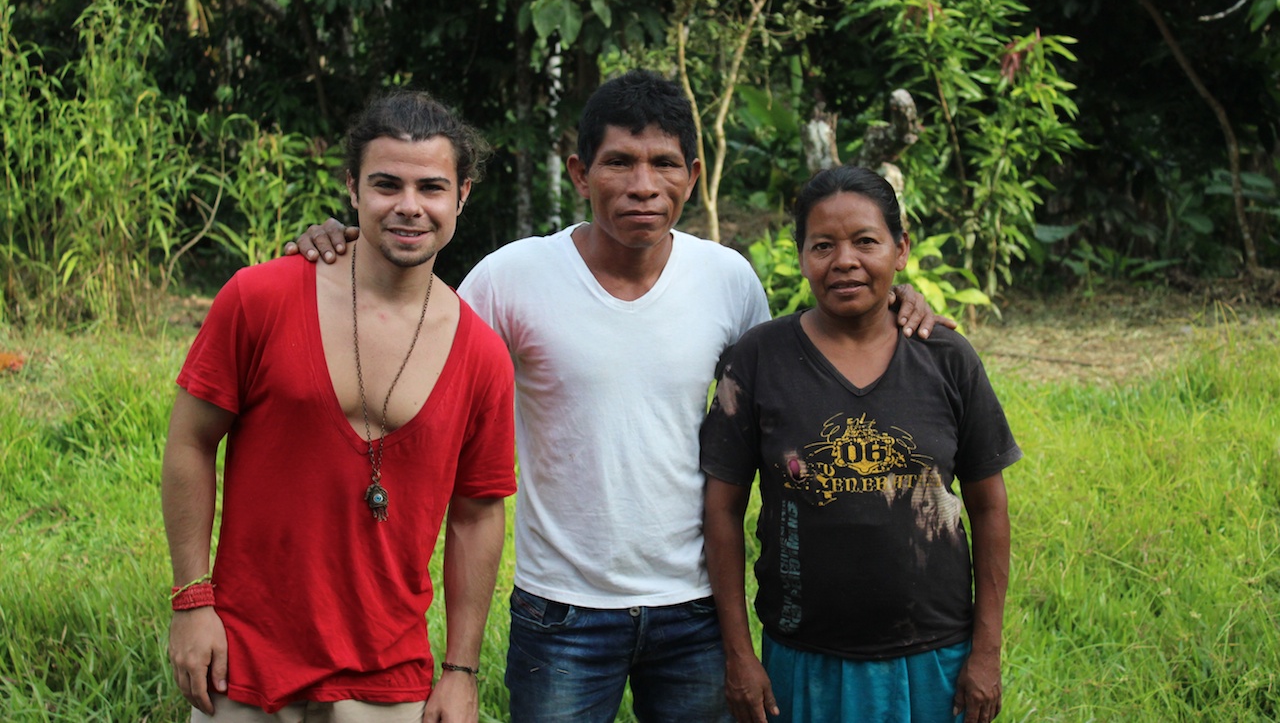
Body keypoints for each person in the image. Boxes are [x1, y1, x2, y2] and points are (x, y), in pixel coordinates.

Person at [288, 71, 950, 722]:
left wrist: (895, 300)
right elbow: (420, 331)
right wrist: (349, 244)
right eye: (619, 162)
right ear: (579, 172)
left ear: (692, 174)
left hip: (698, 605)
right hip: (560, 609)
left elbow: (795, 382)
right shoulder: (511, 278)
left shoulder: (728, 281)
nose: (643, 185)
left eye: (663, 163)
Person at [162, 90, 516, 723]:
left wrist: (460, 671)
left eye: (432, 188)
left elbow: (477, 516)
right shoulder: (261, 297)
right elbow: (190, 440)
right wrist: (192, 601)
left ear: (461, 196)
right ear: (352, 189)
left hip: (388, 674)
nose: (409, 207)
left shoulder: (483, 357)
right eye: (387, 185)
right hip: (243, 660)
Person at [699, 164, 1019, 723]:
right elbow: (721, 511)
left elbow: (989, 508)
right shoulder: (757, 361)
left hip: (935, 655)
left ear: (901, 249)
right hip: (802, 657)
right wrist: (740, 654)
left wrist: (986, 652)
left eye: (865, 241)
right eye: (823, 245)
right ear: (801, 256)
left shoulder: (946, 358)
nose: (844, 260)